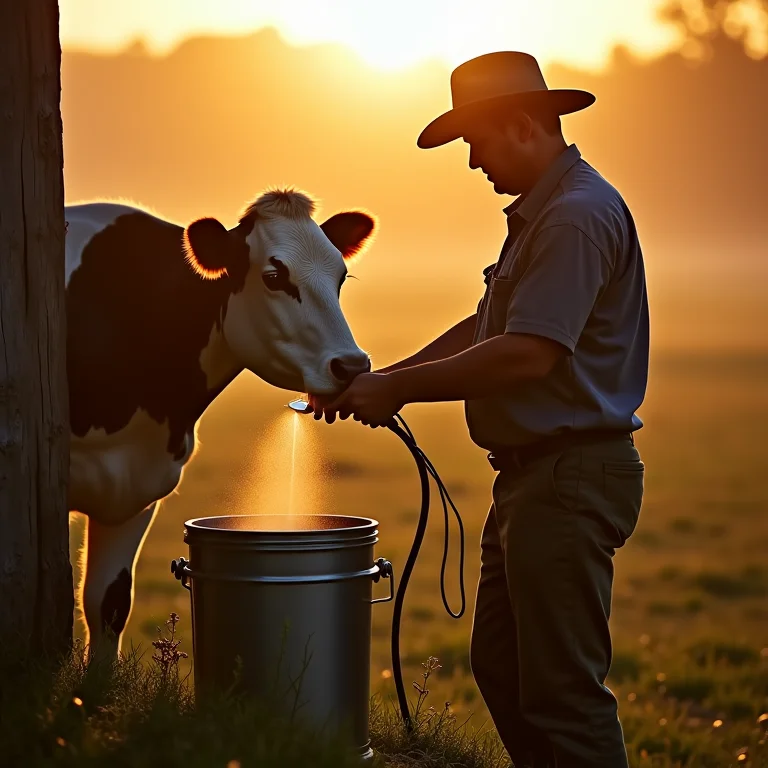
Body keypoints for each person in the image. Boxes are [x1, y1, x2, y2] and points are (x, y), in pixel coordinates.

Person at [311, 51, 649, 768]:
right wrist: (381, 376)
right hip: (538, 477)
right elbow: (488, 326)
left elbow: (528, 353)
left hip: (567, 475)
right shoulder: (545, 214)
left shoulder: (574, 218)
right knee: (503, 668)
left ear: (524, 125)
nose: (473, 163)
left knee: (561, 694)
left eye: (477, 142)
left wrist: (396, 391)